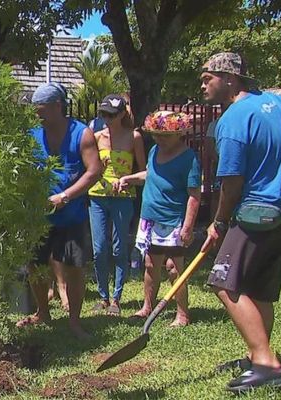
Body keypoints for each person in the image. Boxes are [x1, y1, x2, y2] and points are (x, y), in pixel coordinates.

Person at [200, 52, 281, 393]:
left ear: (230, 79)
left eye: (208, 78)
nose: (203, 85)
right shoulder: (273, 103)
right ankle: (257, 353)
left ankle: (266, 363)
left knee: (223, 282)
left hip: (257, 212)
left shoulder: (231, 123)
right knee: (258, 289)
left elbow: (231, 185)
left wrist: (218, 222)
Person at [16, 82, 102, 339]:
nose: (37, 114)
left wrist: (65, 196)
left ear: (57, 106)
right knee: (36, 266)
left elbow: (95, 171)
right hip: (37, 216)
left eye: (41, 109)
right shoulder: (32, 136)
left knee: (75, 268)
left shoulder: (81, 133)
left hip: (72, 215)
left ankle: (75, 321)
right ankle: (43, 312)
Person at [119, 111, 201, 327]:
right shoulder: (155, 150)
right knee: (149, 264)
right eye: (155, 135)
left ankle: (182, 314)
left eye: (164, 135)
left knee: (174, 267)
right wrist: (130, 178)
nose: (158, 139)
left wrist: (188, 226)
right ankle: (147, 307)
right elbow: (150, 174)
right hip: (150, 218)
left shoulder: (189, 158)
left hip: (173, 220)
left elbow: (194, 195)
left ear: (179, 134)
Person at [88, 94, 146, 316]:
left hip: (123, 197)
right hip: (98, 196)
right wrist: (100, 175)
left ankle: (116, 298)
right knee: (99, 248)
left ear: (122, 114)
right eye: (103, 114)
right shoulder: (95, 137)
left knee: (119, 247)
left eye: (111, 115)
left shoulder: (134, 137)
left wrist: (128, 180)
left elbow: (144, 170)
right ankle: (102, 296)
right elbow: (89, 169)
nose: (106, 119)